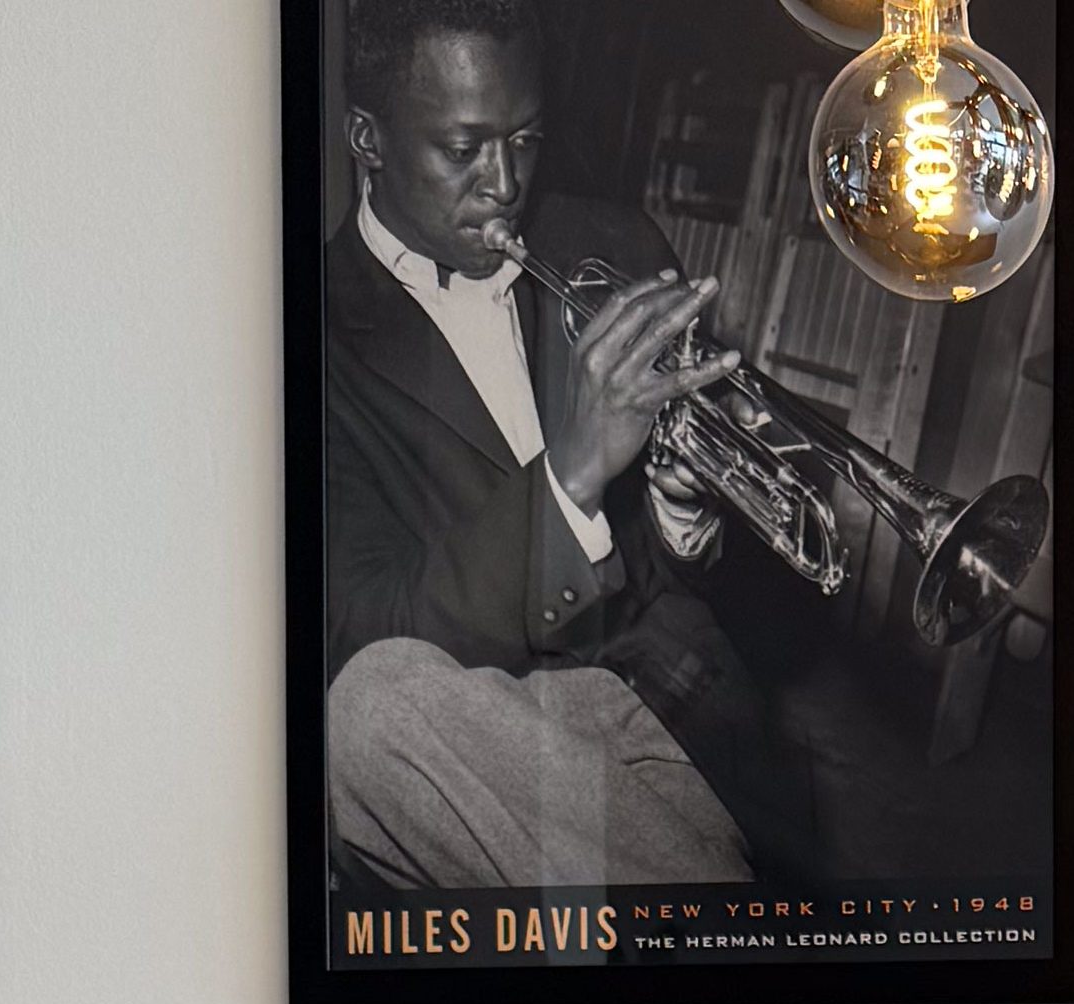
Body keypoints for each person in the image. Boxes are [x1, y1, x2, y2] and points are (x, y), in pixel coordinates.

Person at [321, 0, 787, 892]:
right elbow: (366, 629)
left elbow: (745, 605)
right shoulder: (309, 340)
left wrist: (683, 512)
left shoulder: (611, 242)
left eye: (525, 139)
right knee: (366, 709)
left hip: (677, 717)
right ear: (366, 139)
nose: (505, 184)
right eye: (463, 150)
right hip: (479, 736)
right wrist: (572, 476)